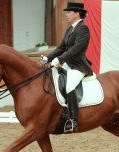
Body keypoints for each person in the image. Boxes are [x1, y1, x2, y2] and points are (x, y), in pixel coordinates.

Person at [41, 2, 93, 132]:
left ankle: (73, 120)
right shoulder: (70, 29)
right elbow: (62, 47)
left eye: (69, 12)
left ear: (77, 14)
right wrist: (49, 57)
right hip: (67, 65)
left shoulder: (83, 29)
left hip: (78, 66)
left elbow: (76, 49)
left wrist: (60, 59)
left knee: (69, 86)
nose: (66, 14)